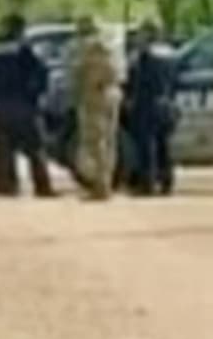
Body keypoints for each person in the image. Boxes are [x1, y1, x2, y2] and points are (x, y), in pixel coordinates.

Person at [0, 13, 56, 198]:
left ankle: (5, 186)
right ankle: (42, 187)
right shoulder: (25, 47)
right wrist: (35, 96)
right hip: (23, 104)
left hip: (0, 104)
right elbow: (41, 73)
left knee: (3, 148)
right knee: (35, 147)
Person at [124, 19, 178, 196]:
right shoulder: (171, 54)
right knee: (164, 145)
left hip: (147, 104)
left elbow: (138, 82)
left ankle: (147, 182)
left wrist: (131, 101)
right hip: (166, 102)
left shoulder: (145, 56)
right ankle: (167, 181)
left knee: (147, 146)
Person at [72, 15, 122, 201]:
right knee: (109, 141)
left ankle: (100, 186)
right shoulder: (113, 45)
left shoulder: (88, 47)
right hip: (113, 93)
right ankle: (106, 182)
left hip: (94, 96)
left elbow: (78, 74)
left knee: (96, 142)